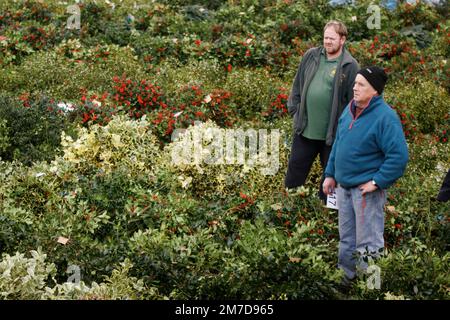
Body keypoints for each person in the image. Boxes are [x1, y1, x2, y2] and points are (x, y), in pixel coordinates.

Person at [322, 66, 408, 288]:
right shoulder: (349, 110)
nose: (355, 88)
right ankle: (346, 279)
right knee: (347, 239)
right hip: (343, 188)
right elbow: (339, 144)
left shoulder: (385, 117)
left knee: (369, 242)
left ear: (375, 91)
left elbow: (398, 156)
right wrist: (330, 175)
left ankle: (371, 288)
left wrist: (377, 182)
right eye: (355, 83)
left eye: (361, 85)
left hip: (365, 191)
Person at [285, 20, 359, 202]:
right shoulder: (311, 56)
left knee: (331, 179)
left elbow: (353, 102)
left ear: (342, 40)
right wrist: (295, 110)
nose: (327, 42)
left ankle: (326, 219)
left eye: (332, 38)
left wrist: (347, 130)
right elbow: (297, 85)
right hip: (305, 130)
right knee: (294, 173)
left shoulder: (350, 66)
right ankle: (288, 209)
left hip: (332, 137)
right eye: (325, 37)